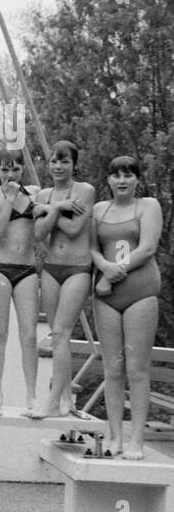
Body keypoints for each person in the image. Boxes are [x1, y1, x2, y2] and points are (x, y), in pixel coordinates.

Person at [89, 156, 163, 460]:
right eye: (116, 175)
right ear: (108, 180)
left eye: (128, 175)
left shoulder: (148, 206)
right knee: (113, 368)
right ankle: (115, 435)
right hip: (106, 296)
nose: (122, 181)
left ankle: (136, 439)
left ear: (136, 180)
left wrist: (113, 272)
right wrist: (104, 268)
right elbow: (92, 247)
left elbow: (146, 248)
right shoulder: (98, 211)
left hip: (140, 292)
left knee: (137, 367)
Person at [28, 140, 95, 419]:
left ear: (74, 164)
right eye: (54, 161)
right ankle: (66, 397)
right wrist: (57, 208)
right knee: (56, 336)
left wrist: (49, 210)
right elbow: (38, 234)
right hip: (52, 267)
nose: (58, 166)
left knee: (62, 333)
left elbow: (74, 228)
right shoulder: (44, 194)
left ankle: (54, 402)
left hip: (78, 268)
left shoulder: (85, 190)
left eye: (64, 161)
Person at [0, 147, 43, 412]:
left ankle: (31, 395)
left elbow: (45, 222)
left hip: (27, 268)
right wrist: (10, 198)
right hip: (0, 268)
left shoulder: (35, 193)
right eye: (4, 169)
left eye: (15, 168)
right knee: (0, 331)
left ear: (22, 169)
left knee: (29, 334)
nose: (10, 174)